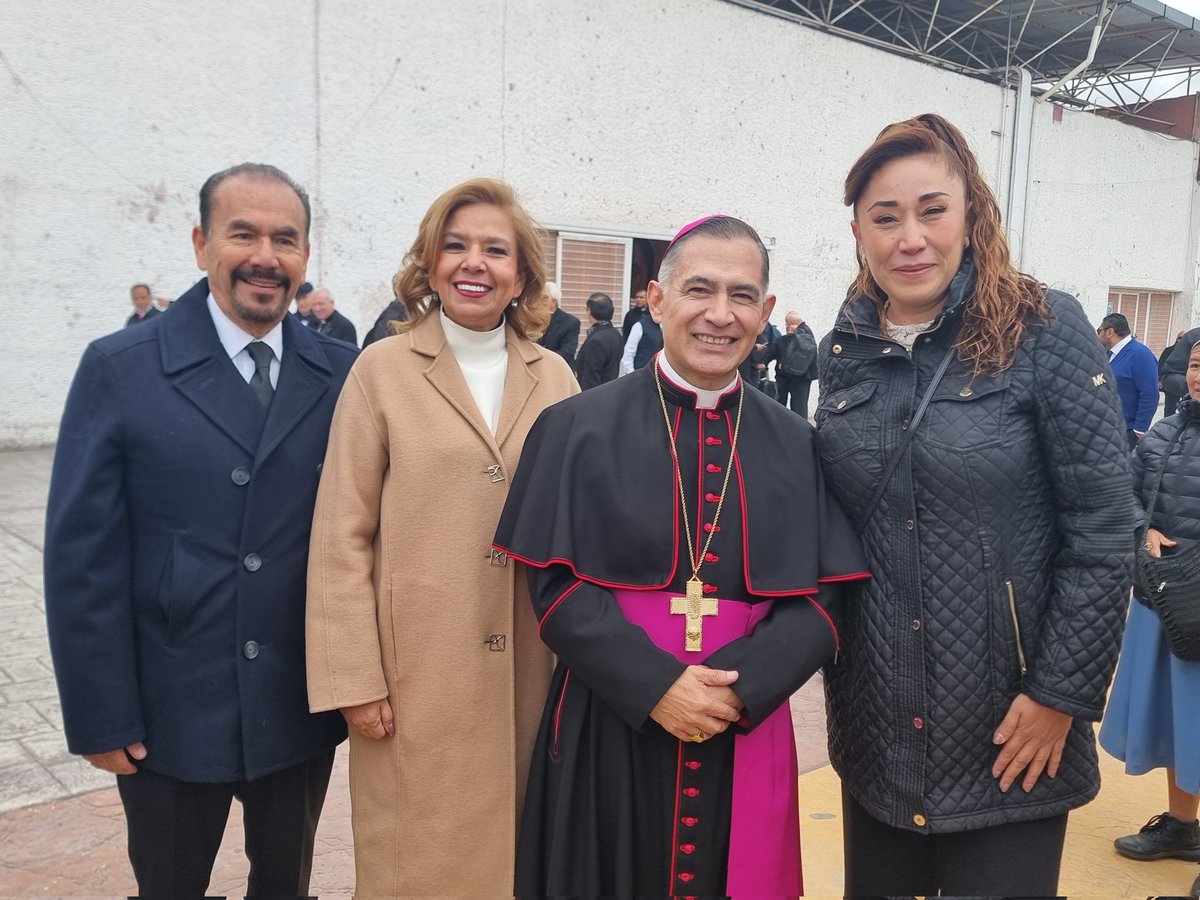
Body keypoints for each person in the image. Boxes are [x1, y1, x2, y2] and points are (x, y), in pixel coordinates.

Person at [494, 214, 868, 897]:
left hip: (742, 724)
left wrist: (737, 691)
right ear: (657, 300)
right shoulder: (576, 427)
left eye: (742, 295)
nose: (720, 315)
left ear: (767, 312)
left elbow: (824, 597)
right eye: (700, 290)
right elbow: (552, 586)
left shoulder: (796, 441)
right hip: (609, 719)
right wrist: (656, 685)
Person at [816, 113, 1133, 898]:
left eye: (932, 209)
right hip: (877, 725)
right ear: (857, 231)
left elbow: (1102, 528)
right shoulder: (846, 348)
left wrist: (1060, 694)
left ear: (970, 215)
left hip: (1009, 727)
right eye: (885, 218)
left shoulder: (1041, 328)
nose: (910, 237)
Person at [44, 163, 355, 897]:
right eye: (241, 233)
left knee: (287, 884)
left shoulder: (343, 373)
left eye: (286, 239)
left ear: (306, 256)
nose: (265, 257)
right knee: (170, 884)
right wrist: (99, 713)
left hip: (294, 698)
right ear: (199, 243)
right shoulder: (121, 367)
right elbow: (81, 558)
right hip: (168, 703)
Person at [304, 177, 578, 896]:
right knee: (414, 863)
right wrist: (353, 680)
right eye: (454, 246)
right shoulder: (381, 372)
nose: (473, 263)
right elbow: (342, 536)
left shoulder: (554, 379)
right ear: (429, 264)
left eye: (495, 249)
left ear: (521, 272)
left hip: (530, 669)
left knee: (519, 859)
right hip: (413, 680)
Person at [1100, 339, 1200, 870]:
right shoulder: (1165, 432)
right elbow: (1126, 493)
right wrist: (1146, 529)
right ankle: (1183, 828)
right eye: (1197, 365)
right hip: (1164, 598)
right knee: (1178, 720)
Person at [1098, 312, 1159, 448]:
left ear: (1110, 332)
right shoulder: (1107, 354)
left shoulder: (1141, 355)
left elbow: (1150, 394)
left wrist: (1139, 430)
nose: (1098, 335)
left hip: (1127, 431)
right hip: (1107, 427)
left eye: (1099, 331)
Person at [769, 310, 818, 417]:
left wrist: (791, 335)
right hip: (800, 376)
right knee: (798, 406)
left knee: (796, 407)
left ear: (791, 322)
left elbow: (793, 351)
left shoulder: (801, 334)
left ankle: (798, 431)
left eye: (786, 323)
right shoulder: (805, 332)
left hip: (799, 377)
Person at [573, 291, 623, 390]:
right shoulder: (616, 334)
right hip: (610, 391)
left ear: (589, 310)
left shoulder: (596, 340)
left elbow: (589, 378)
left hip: (595, 396)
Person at [537, 281, 581, 365]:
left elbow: (567, 353)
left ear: (554, 302)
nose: (539, 301)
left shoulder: (570, 322)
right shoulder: (533, 318)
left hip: (558, 369)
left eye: (544, 298)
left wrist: (542, 358)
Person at [620, 299, 664, 374]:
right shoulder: (640, 326)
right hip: (641, 375)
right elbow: (628, 355)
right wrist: (633, 376)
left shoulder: (669, 327)